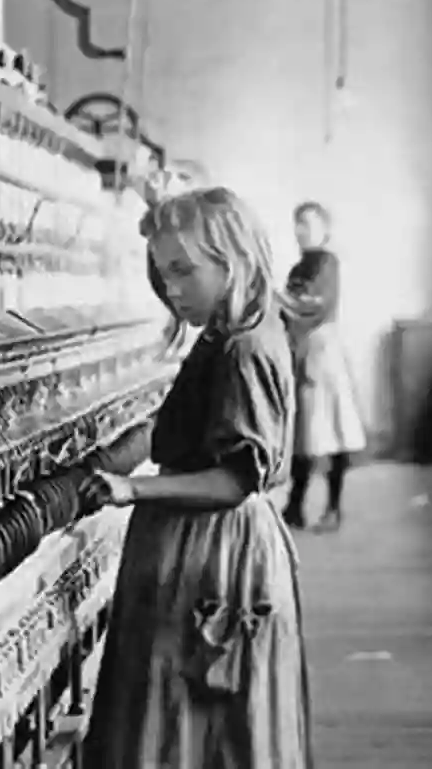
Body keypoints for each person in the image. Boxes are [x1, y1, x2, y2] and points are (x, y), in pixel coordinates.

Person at [80, 187, 313, 768]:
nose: (173, 290)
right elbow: (187, 423)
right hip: (201, 545)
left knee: (196, 719)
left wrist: (132, 489)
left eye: (184, 270)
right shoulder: (227, 336)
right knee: (189, 722)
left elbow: (235, 481)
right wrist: (114, 455)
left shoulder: (243, 349)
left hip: (215, 550)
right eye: (163, 276)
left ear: (232, 258)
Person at [280, 202, 366, 532]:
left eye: (309, 225)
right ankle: (296, 505)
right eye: (298, 224)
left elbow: (312, 305)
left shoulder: (326, 263)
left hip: (323, 351)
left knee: (333, 432)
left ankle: (333, 507)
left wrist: (282, 303)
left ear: (324, 230)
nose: (302, 231)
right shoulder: (299, 267)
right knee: (305, 435)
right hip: (303, 354)